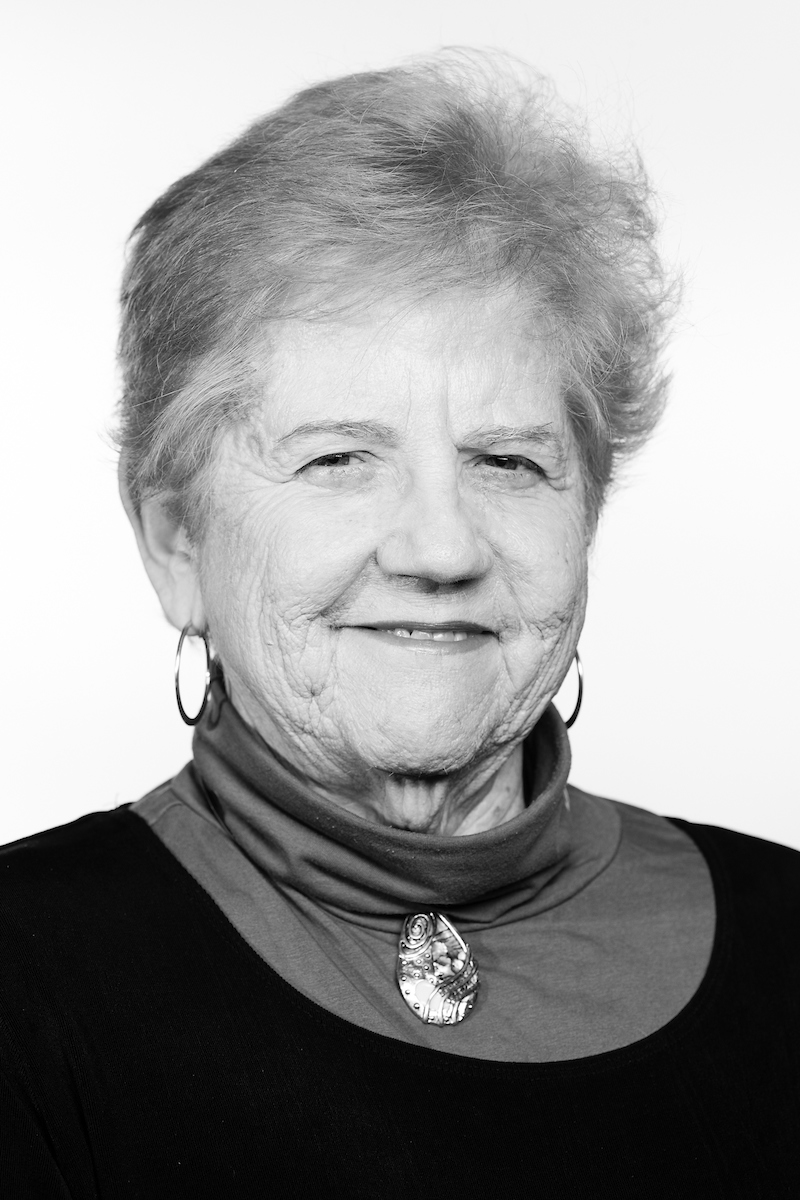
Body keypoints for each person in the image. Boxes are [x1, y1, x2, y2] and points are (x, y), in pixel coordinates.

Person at [1, 50, 797, 1198]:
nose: (440, 547)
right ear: (177, 544)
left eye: (506, 462)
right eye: (338, 459)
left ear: (584, 514)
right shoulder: (24, 984)